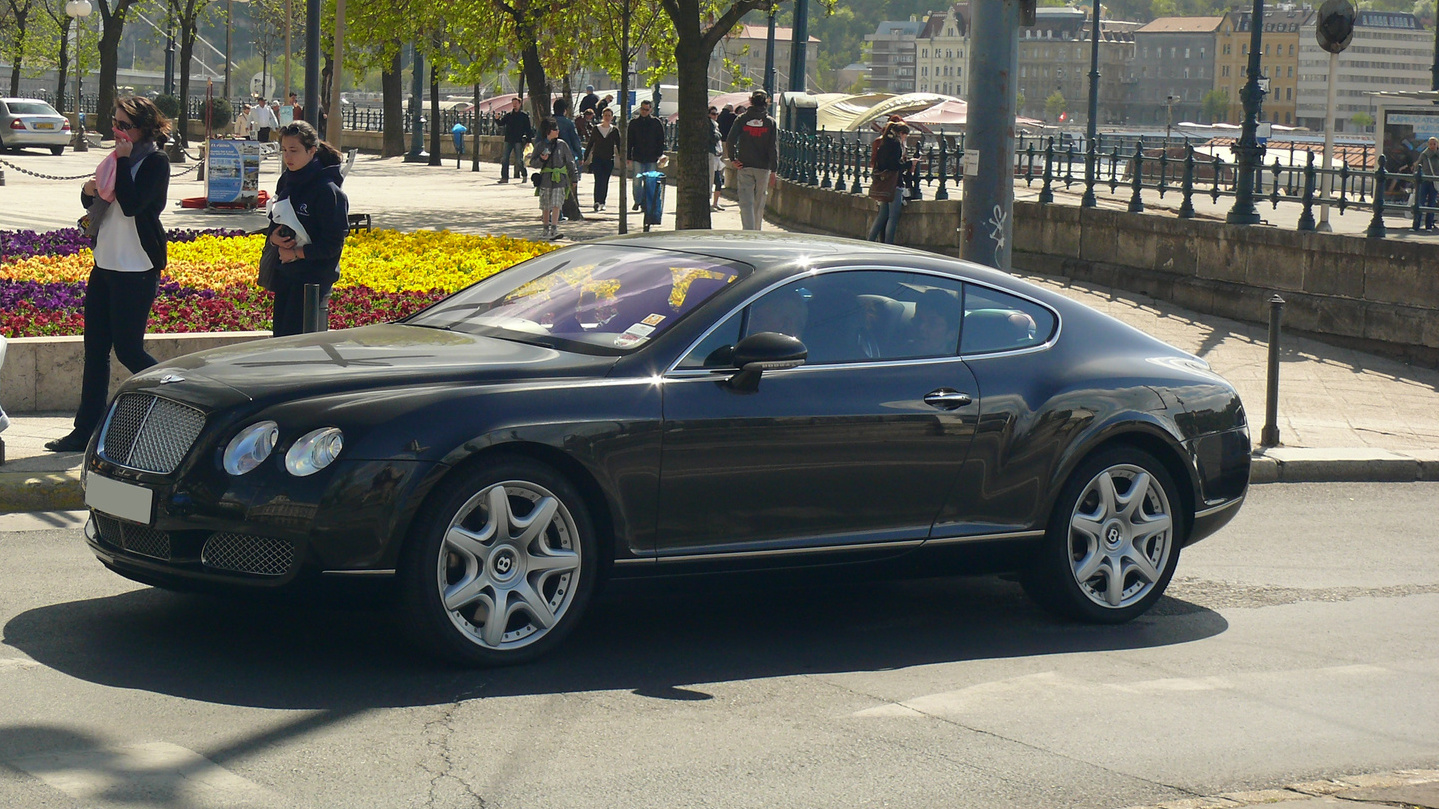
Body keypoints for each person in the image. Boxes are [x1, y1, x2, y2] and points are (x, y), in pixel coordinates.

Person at [46, 97, 173, 452]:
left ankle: (177, 392)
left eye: (124, 126)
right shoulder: (115, 159)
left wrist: (120, 159)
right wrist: (86, 192)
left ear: (144, 128)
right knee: (95, 350)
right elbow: (100, 201)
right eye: (115, 124)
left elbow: (132, 205)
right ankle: (84, 430)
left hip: (136, 267)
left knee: (129, 351)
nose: (117, 132)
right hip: (105, 264)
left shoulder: (155, 161)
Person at [267, 121, 349, 337]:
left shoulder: (328, 191)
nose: (288, 157)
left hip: (312, 282)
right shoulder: (286, 181)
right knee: (281, 341)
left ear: (312, 151)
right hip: (286, 274)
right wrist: (275, 239)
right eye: (284, 150)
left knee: (300, 343)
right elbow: (274, 220)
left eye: (294, 150)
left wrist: (296, 253)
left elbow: (332, 245)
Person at [724, 90, 779, 231]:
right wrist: (774, 170)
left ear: (750, 100)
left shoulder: (742, 119)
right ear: (767, 101)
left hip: (745, 165)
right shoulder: (770, 122)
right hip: (763, 167)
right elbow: (772, 147)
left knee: (746, 201)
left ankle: (748, 230)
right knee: (759, 201)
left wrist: (733, 159)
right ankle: (756, 230)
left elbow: (730, 140)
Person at [530, 117, 579, 241]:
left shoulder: (562, 145)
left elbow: (570, 162)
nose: (557, 131)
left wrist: (574, 177)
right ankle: (545, 228)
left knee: (557, 204)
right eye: (554, 129)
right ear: (547, 131)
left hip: (560, 179)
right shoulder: (540, 145)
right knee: (545, 205)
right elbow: (532, 162)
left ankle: (554, 228)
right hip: (546, 178)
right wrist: (541, 159)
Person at [867, 120, 914, 244]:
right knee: (893, 217)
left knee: (882, 215)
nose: (905, 138)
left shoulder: (884, 143)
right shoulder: (895, 144)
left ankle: (870, 240)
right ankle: (888, 244)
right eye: (906, 136)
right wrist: (910, 163)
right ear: (901, 133)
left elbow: (883, 163)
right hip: (894, 184)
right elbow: (894, 165)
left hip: (884, 183)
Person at [627, 99, 666, 211]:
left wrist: (659, 155)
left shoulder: (656, 123)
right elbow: (630, 141)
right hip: (638, 157)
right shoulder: (634, 123)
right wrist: (628, 157)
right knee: (637, 181)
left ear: (650, 110)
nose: (644, 111)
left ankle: (646, 202)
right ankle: (637, 201)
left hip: (652, 157)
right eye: (642, 109)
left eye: (646, 109)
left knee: (650, 182)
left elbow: (660, 140)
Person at [553, 98, 585, 221]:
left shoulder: (549, 122)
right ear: (565, 110)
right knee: (568, 185)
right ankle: (563, 211)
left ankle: (555, 212)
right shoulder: (568, 123)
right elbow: (575, 140)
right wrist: (580, 156)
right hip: (567, 157)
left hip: (550, 159)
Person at [904, 289, 960, 357]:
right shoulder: (895, 352)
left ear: (951, 334)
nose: (921, 327)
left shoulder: (954, 366)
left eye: (933, 323)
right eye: (918, 320)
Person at [586, 106, 621, 212]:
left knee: (605, 181)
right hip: (597, 158)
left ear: (612, 117)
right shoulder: (596, 129)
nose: (607, 117)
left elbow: (619, 145)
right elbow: (590, 143)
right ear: (602, 116)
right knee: (598, 180)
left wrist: (622, 157)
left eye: (609, 116)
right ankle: (596, 201)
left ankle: (603, 202)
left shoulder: (614, 130)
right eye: (605, 115)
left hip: (608, 159)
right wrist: (585, 156)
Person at [497, 98, 532, 183]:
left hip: (518, 140)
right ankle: (504, 177)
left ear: (520, 104)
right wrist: (497, 119)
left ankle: (524, 174)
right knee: (505, 159)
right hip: (508, 139)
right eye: (513, 103)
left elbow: (528, 129)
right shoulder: (509, 115)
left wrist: (528, 140)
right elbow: (501, 123)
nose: (514, 105)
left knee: (519, 160)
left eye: (516, 103)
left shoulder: (524, 116)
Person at [1416, 136, 1439, 232]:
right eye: (1430, 144)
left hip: (1435, 181)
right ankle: (1416, 224)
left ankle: (1429, 225)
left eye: (1434, 144)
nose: (1432, 146)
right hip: (1425, 180)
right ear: (1428, 145)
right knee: (1420, 202)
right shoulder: (1424, 154)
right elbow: (1418, 165)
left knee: (1432, 203)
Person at [707, 106, 726, 212]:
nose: (715, 116)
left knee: (718, 181)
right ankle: (710, 202)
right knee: (711, 180)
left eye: (716, 114)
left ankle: (715, 203)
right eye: (713, 113)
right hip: (711, 156)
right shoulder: (709, 124)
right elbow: (714, 137)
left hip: (717, 157)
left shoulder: (715, 125)